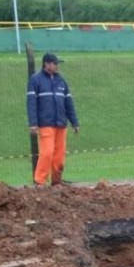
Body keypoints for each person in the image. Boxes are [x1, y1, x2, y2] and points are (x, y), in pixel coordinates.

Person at [27, 52, 79, 186]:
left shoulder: (61, 81)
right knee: (47, 152)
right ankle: (40, 181)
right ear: (46, 64)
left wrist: (74, 122)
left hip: (61, 123)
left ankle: (56, 181)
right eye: (55, 63)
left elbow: (68, 103)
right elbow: (31, 103)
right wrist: (33, 123)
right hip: (46, 123)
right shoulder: (36, 80)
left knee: (59, 155)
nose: (57, 66)